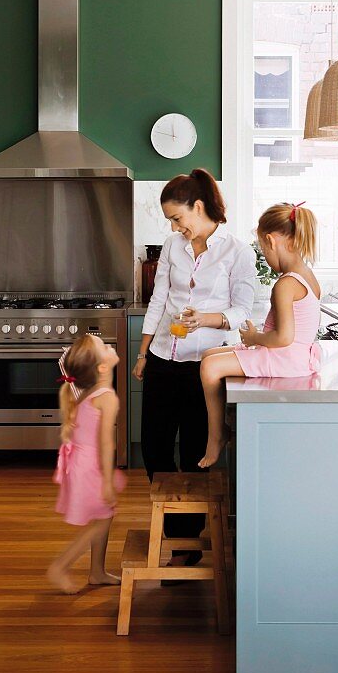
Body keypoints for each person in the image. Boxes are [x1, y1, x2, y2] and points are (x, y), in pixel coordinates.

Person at [133, 168, 255, 569]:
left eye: (177, 217)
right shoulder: (172, 246)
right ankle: (173, 530)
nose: (175, 226)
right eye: (171, 220)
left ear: (198, 207)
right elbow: (159, 299)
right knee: (153, 445)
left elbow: (242, 312)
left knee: (196, 452)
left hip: (205, 365)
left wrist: (207, 319)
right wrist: (143, 352)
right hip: (163, 357)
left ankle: (185, 543)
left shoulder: (237, 251)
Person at [198, 202, 321, 469]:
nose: (264, 256)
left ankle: (217, 435)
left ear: (270, 240)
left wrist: (254, 339)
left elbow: (283, 338)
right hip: (294, 357)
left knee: (209, 366)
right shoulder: (306, 275)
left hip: (285, 357)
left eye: (263, 250)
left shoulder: (285, 283)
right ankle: (228, 420)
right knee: (209, 354)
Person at [47, 333, 125, 594]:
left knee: (105, 515)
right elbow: (105, 444)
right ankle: (60, 566)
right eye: (103, 345)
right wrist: (105, 482)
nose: (108, 344)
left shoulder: (91, 391)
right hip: (90, 466)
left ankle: (97, 572)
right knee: (100, 520)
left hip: (80, 463)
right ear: (102, 367)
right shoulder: (107, 398)